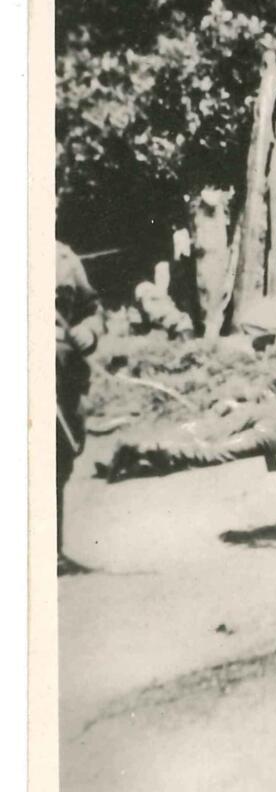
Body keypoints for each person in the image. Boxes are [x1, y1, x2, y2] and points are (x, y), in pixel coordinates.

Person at [56, 240, 104, 575]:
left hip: (62, 378)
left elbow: (91, 309)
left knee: (59, 458)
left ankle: (51, 551)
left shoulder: (62, 256)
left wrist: (88, 330)